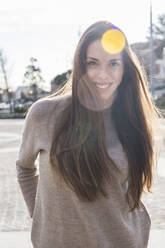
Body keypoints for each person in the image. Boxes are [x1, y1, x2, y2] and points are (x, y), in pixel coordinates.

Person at [16, 21, 162, 248]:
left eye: (113, 63)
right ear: (80, 66)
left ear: (124, 69)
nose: (102, 75)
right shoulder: (44, 114)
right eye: (92, 63)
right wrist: (41, 217)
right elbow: (24, 167)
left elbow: (132, 195)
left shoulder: (133, 121)